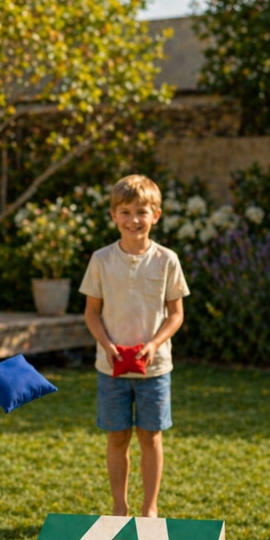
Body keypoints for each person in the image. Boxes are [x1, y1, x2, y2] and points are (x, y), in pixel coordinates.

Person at [81, 174, 189, 517]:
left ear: (155, 215)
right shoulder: (101, 260)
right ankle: (119, 506)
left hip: (155, 369)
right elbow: (92, 313)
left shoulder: (167, 260)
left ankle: (149, 508)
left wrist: (155, 343)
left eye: (141, 212)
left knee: (150, 438)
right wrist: (107, 344)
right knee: (117, 439)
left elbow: (176, 314)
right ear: (114, 215)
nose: (133, 220)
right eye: (125, 212)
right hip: (109, 367)